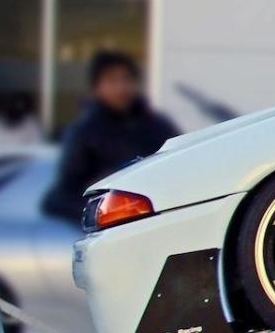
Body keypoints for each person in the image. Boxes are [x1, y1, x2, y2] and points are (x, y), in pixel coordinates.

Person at [42, 52, 179, 221]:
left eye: (126, 79)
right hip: (111, 227)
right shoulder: (84, 134)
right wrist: (106, 211)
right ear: (97, 87)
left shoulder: (159, 127)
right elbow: (63, 195)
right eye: (112, 81)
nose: (121, 87)